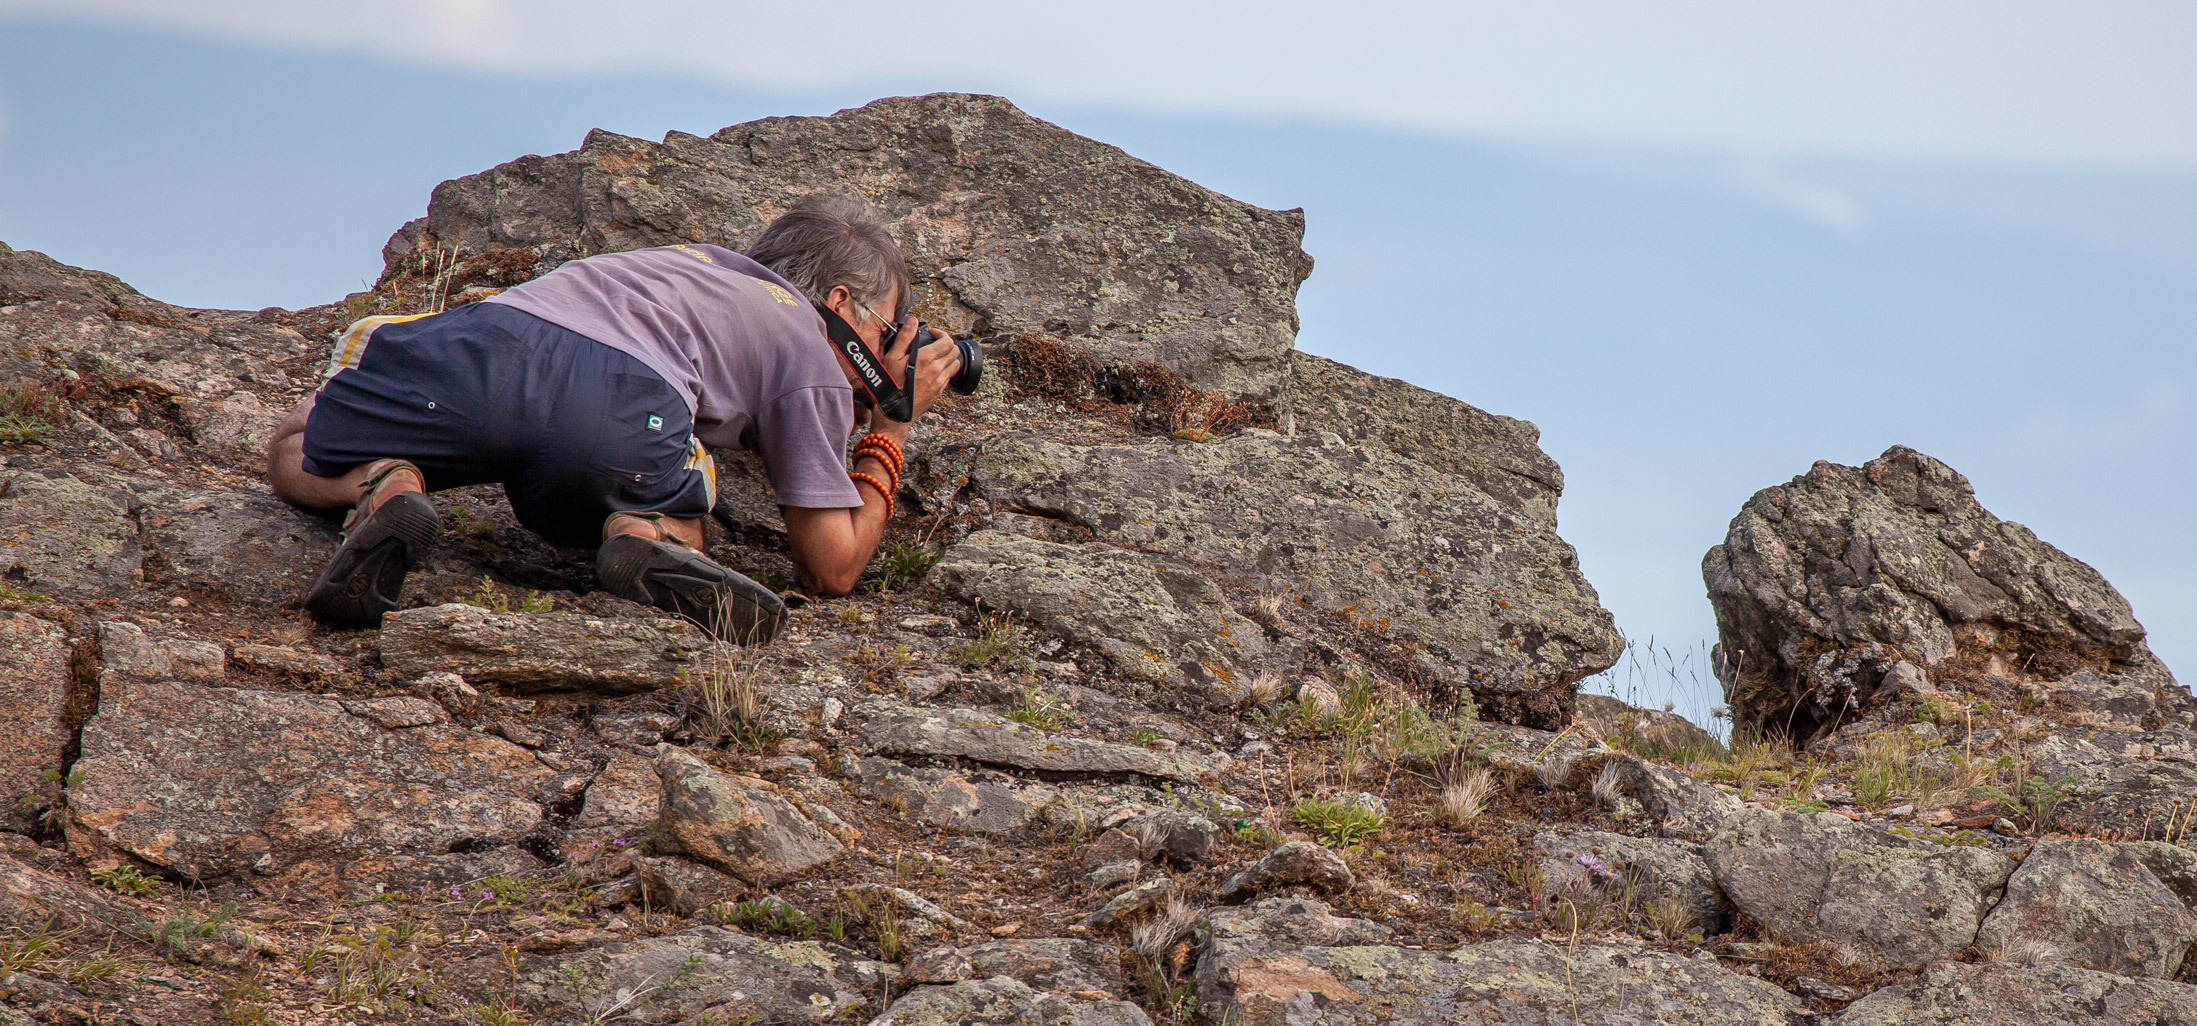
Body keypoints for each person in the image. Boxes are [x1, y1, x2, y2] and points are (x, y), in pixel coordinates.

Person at [265, 195, 964, 643]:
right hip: (620, 409)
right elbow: (832, 568)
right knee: (674, 471)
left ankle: (384, 482)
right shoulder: (806, 349)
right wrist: (891, 428)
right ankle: (647, 531)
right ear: (840, 303)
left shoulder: (675, 267)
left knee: (295, 444)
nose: (891, 346)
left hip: (479, 348)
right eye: (888, 328)